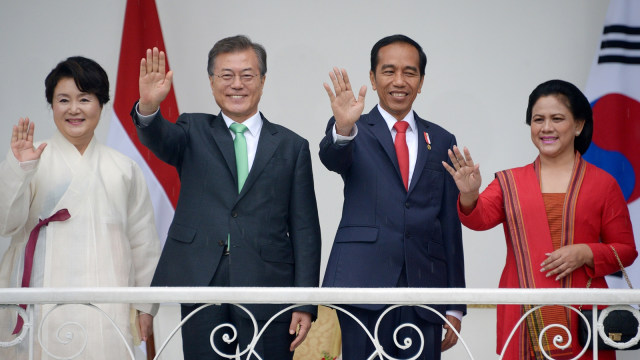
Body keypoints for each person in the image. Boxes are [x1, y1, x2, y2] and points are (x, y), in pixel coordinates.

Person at [131, 35, 321, 359]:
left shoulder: (292, 146)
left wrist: (304, 302)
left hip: (269, 285)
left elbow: (305, 231)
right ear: (211, 81)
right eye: (226, 75)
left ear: (262, 80)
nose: (237, 85)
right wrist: (149, 107)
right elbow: (158, 136)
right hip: (202, 281)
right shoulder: (192, 130)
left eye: (247, 75)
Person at [443, 79, 638, 360]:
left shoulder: (603, 184)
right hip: (524, 315)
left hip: (582, 317)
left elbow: (626, 250)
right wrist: (470, 194)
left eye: (557, 119)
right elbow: (479, 218)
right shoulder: (509, 181)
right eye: (538, 120)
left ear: (579, 125)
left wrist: (586, 252)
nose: (546, 127)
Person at [0, 56, 160, 360]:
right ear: (52, 105)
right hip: (41, 295)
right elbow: (5, 224)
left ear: (101, 104)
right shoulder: (33, 159)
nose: (74, 109)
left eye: (84, 99)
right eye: (64, 100)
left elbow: (144, 243)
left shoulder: (124, 168)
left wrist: (145, 306)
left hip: (108, 299)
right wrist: (19, 170)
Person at [320, 34, 466, 360]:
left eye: (409, 72)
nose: (399, 81)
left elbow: (449, 223)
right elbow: (332, 158)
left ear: (421, 80)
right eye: (388, 71)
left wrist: (456, 303)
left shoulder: (441, 139)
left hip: (425, 286)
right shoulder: (353, 126)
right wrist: (343, 128)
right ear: (372, 78)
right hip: (363, 283)